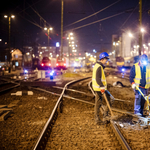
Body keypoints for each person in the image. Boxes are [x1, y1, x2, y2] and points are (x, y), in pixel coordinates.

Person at [92, 52, 114, 124]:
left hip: (99, 87)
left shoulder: (98, 65)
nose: (107, 61)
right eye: (106, 59)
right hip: (99, 88)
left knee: (98, 103)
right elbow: (97, 78)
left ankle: (99, 118)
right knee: (110, 99)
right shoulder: (99, 67)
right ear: (102, 59)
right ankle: (104, 115)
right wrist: (101, 86)